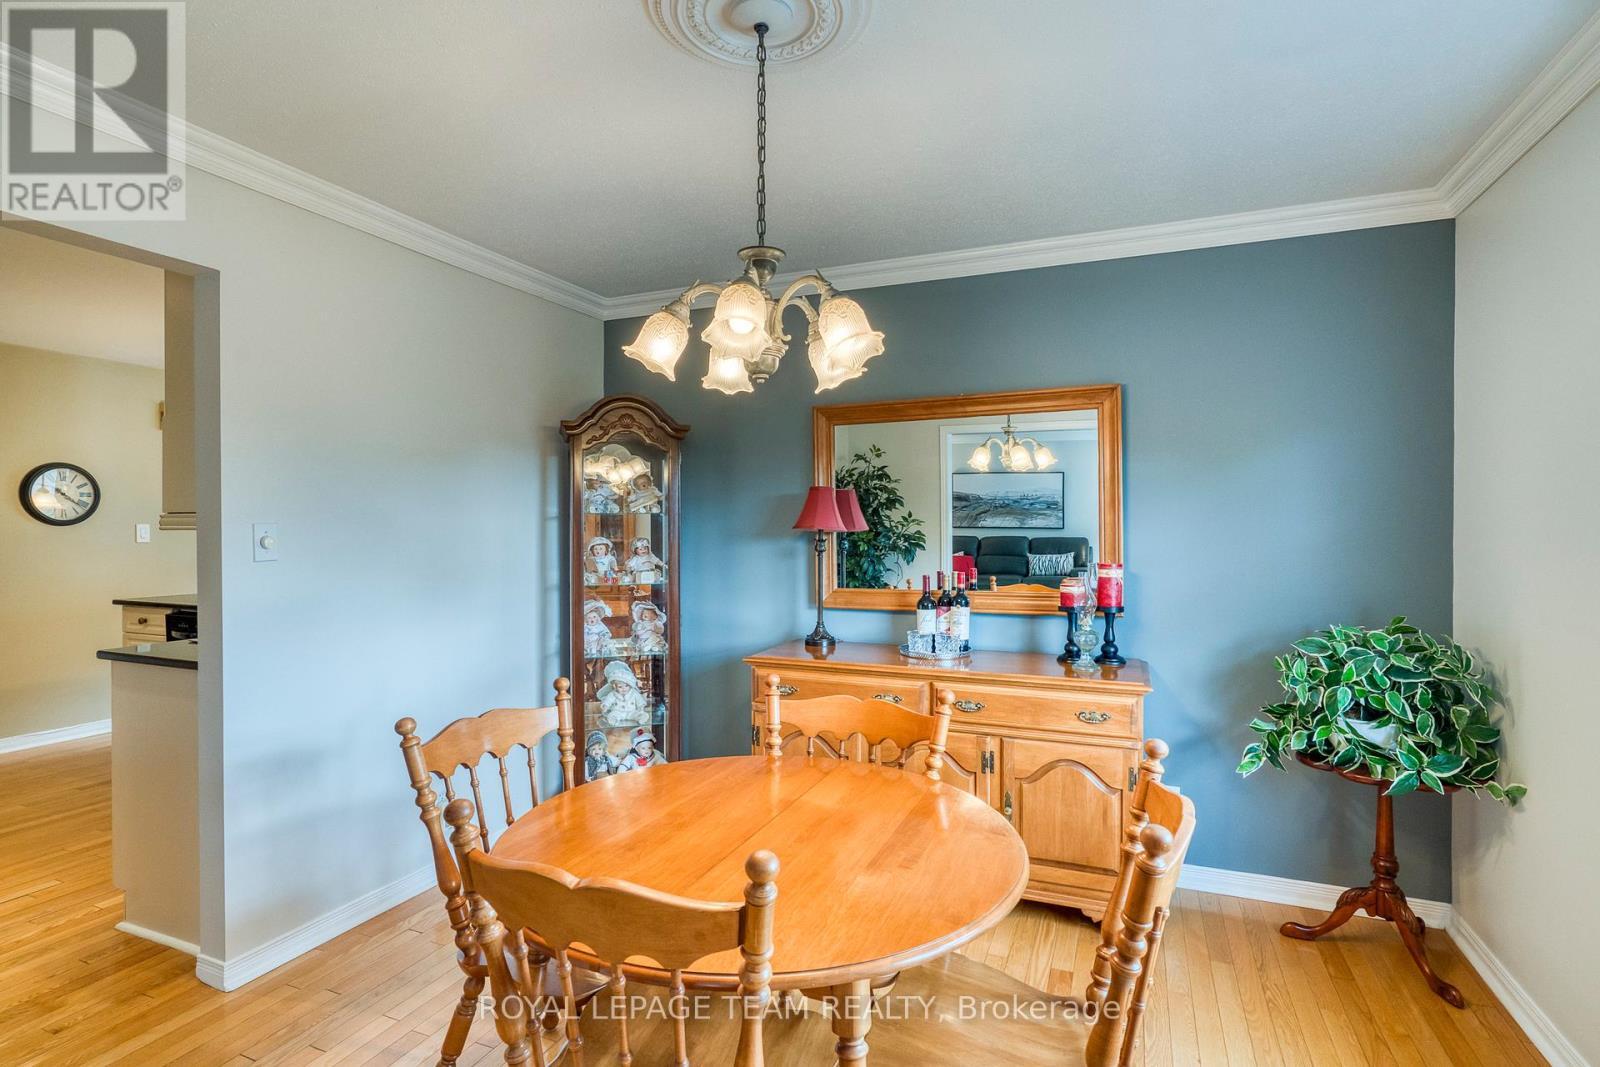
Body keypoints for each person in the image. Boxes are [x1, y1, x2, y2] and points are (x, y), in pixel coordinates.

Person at [595, 660, 650, 729]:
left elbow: (640, 700)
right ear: (615, 686)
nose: (624, 689)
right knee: (612, 715)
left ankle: (641, 718)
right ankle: (613, 720)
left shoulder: (634, 693)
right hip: (618, 712)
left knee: (638, 714)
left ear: (630, 685)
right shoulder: (613, 693)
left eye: (626, 686)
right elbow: (608, 700)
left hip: (631, 711)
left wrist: (641, 707)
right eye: (620, 687)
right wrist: (605, 706)